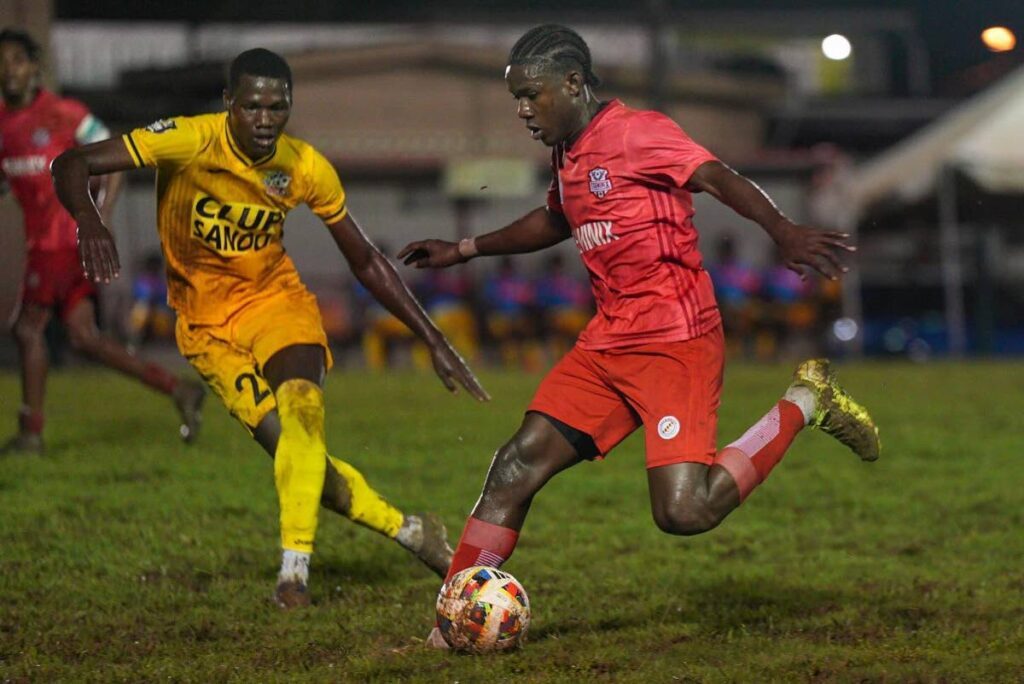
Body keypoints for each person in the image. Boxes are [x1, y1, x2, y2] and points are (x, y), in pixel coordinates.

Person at [398, 24, 880, 648]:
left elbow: (717, 176)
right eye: (516, 98)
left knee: (685, 512)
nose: (522, 110)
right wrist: (464, 249)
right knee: (514, 465)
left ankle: (805, 402)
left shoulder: (637, 132)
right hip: (607, 344)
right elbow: (556, 218)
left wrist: (782, 229)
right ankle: (451, 627)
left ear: (573, 83)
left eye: (531, 96)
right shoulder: (568, 151)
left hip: (675, 341)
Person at [52, 48, 489, 609]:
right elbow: (71, 163)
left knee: (303, 418)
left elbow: (366, 260)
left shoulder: (304, 165)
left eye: (276, 107)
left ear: (288, 107)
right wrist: (89, 219)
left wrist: (434, 338)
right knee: (300, 463)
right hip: (206, 328)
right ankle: (413, 533)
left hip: (276, 304)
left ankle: (293, 575)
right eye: (252, 105)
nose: (264, 119)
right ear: (230, 103)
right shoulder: (187, 139)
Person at [0, 28, 205, 455]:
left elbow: (113, 160)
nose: (8, 69)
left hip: (63, 242)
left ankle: (31, 432)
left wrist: (100, 218)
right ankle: (179, 389)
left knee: (27, 329)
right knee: (83, 338)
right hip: (44, 245)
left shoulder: (65, 113)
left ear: (35, 67)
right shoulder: (3, 124)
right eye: (2, 62)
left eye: (17, 60)